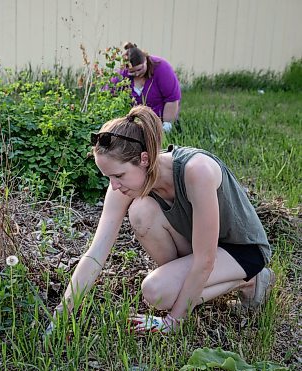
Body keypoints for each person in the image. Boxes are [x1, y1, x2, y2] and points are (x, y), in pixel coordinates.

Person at [47, 105, 274, 334]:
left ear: (144, 159)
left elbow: (206, 259)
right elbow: (96, 253)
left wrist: (172, 322)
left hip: (242, 249)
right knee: (141, 211)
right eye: (108, 177)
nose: (113, 185)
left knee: (156, 293)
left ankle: (250, 278)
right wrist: (62, 312)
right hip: (203, 246)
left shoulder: (197, 170)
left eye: (118, 175)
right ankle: (186, 288)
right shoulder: (124, 184)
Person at [109, 42, 181, 133]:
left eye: (139, 69)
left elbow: (172, 99)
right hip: (133, 126)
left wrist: (166, 127)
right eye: (132, 71)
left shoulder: (162, 68)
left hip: (160, 122)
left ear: (145, 60)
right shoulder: (121, 76)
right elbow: (110, 98)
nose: (137, 74)